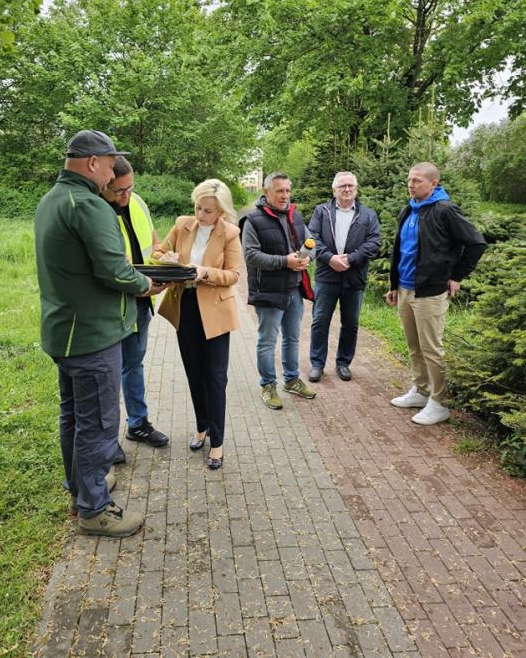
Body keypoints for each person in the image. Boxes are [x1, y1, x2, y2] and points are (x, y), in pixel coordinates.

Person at [35, 129, 162, 538]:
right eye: (110, 163)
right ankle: (94, 509)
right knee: (99, 423)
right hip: (93, 336)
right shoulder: (89, 205)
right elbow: (112, 269)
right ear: (92, 163)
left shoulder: (52, 200)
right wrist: (146, 285)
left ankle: (81, 487)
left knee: (73, 415)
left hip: (65, 332)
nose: (112, 172)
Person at [386, 162, 486, 425]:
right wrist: (393, 285)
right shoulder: (409, 209)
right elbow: (402, 251)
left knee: (432, 349)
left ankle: (439, 403)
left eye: (417, 181)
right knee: (414, 346)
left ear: (434, 183)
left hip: (430, 291)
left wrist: (456, 276)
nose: (411, 184)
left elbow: (476, 242)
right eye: (409, 180)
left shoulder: (445, 210)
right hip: (406, 289)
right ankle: (420, 391)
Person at [153, 179, 241, 470]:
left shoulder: (230, 233)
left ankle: (217, 442)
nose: (200, 215)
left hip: (215, 311)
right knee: (194, 373)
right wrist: (166, 258)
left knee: (215, 378)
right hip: (186, 307)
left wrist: (204, 272)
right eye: (198, 208)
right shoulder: (182, 224)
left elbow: (233, 275)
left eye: (207, 211)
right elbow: (156, 252)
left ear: (221, 212)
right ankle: (202, 426)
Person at [101, 157, 169, 448]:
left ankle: (138, 423)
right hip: (112, 305)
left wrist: (165, 259)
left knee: (133, 364)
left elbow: (153, 243)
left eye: (130, 188)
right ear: (103, 185)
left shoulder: (138, 202)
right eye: (119, 191)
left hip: (141, 302)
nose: (126, 196)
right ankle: (107, 440)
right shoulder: (98, 213)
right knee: (108, 372)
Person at [241, 172, 315, 410]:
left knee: (292, 338)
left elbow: (311, 244)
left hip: (294, 289)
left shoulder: (296, 215)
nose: (285, 196)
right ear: (266, 192)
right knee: (267, 341)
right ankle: (268, 384)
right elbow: (251, 255)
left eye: (287, 190)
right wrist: (285, 261)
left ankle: (291, 379)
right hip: (269, 291)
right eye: (279, 191)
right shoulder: (253, 220)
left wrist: (306, 259)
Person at [308, 171, 380, 382]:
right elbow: (312, 238)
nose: (347, 189)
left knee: (351, 323)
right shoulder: (321, 212)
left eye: (350, 186)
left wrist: (351, 258)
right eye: (342, 186)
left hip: (354, 277)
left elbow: (374, 242)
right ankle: (317, 364)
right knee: (320, 321)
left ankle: (343, 363)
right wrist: (330, 258)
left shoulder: (368, 215)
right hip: (326, 276)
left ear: (356, 189)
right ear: (334, 190)